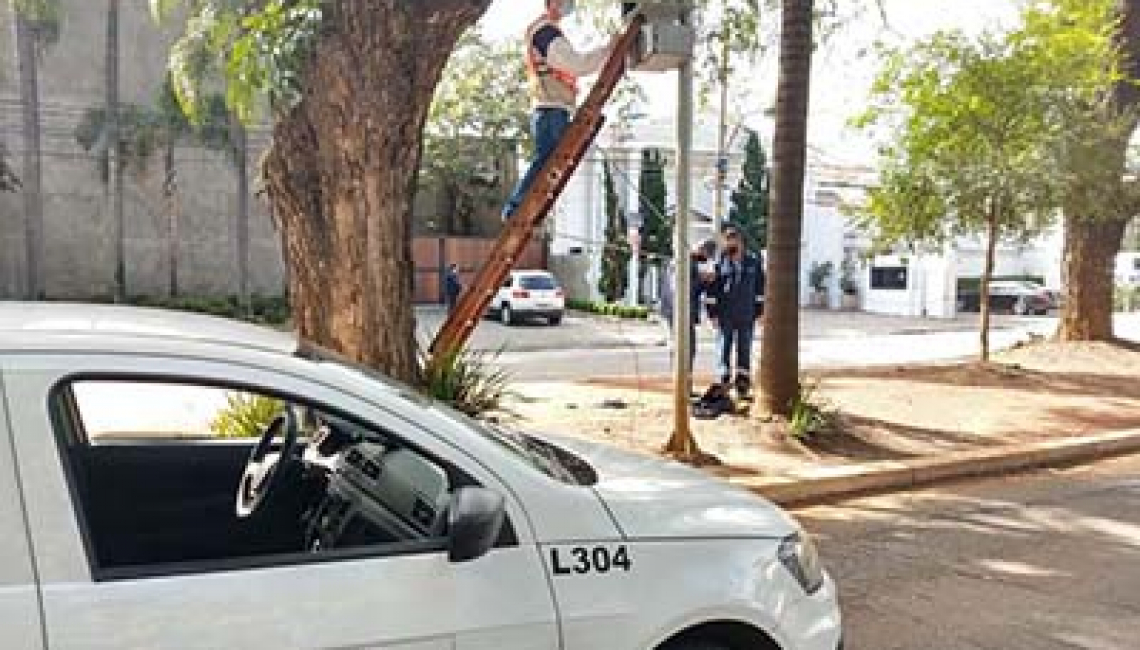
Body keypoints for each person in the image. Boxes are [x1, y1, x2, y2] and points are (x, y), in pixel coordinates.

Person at [502, 0, 615, 220]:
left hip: (554, 106)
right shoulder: (545, 32)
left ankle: (521, 209)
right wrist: (608, 49)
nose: (567, 4)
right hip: (551, 107)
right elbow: (575, 64)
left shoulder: (548, 31)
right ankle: (516, 208)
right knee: (546, 161)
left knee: (548, 162)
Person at [706, 225, 766, 399]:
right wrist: (712, 314)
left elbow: (760, 290)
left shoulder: (753, 262)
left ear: (741, 242)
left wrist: (760, 312)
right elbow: (712, 292)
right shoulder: (719, 263)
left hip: (746, 314)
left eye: (734, 239)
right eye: (728, 239)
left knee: (744, 349)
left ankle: (742, 383)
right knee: (723, 348)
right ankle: (722, 382)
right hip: (725, 315)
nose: (730, 243)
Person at [659, 240, 718, 391]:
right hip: (680, 312)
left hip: (672, 310)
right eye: (707, 255)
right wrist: (704, 281)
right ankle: (683, 385)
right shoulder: (686, 264)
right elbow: (686, 290)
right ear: (701, 250)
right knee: (687, 348)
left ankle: (682, 384)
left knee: (681, 347)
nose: (705, 260)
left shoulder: (677, 261)